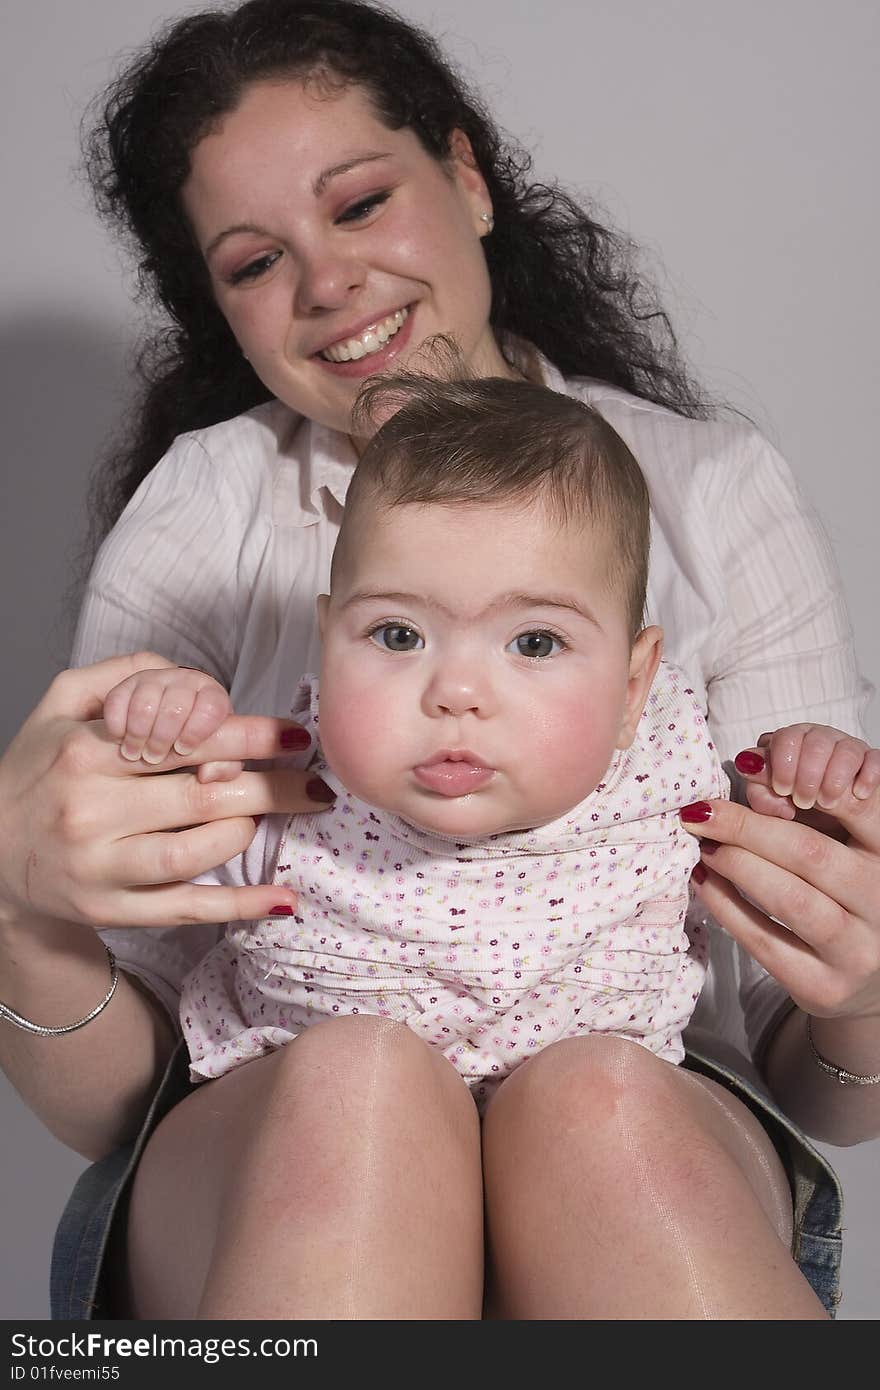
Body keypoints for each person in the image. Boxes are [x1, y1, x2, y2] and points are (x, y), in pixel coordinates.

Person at [1, 0, 879, 1321]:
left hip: (647, 1126)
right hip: (263, 1133)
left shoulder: (712, 493)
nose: (329, 282)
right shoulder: (206, 514)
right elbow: (124, 1080)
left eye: (359, 203)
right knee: (359, 1084)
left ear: (466, 179)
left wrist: (863, 992)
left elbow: (812, 1062)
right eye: (253, 262)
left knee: (596, 1101)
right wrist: (31, 922)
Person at [109, 373, 728, 1100]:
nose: (455, 693)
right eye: (398, 634)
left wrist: (812, 779)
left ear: (632, 692)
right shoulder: (284, 786)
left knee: (601, 1102)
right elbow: (137, 881)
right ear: (329, 643)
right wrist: (164, 733)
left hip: (587, 1134)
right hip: (324, 1129)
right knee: (357, 1086)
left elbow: (800, 895)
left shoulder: (664, 775)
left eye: (533, 643)